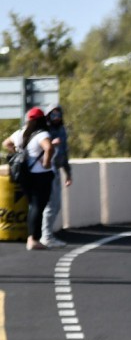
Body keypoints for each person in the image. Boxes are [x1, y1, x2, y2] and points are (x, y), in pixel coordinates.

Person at [4, 108, 55, 251]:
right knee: (37, 207)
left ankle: (32, 238)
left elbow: (6, 143)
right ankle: (33, 239)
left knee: (33, 205)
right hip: (40, 176)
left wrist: (18, 153)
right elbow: (49, 148)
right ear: (41, 120)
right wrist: (46, 162)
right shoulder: (42, 134)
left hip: (25, 175)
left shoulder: (20, 133)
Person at [41, 105, 72, 248]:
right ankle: (45, 236)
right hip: (45, 170)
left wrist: (68, 173)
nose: (56, 118)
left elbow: (64, 153)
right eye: (53, 115)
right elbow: (38, 148)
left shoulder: (61, 130)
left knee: (56, 205)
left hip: (57, 170)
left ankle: (48, 235)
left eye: (58, 114)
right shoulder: (44, 130)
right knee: (50, 205)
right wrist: (51, 143)